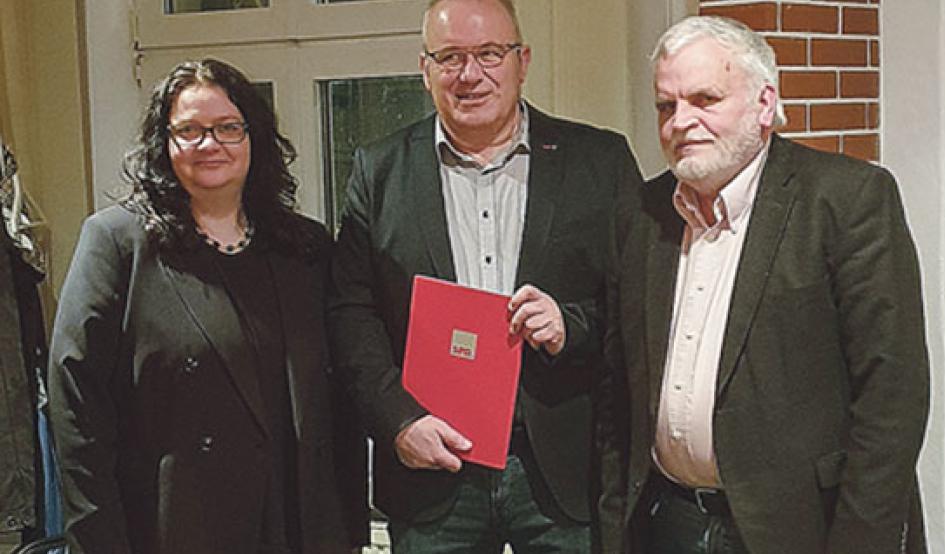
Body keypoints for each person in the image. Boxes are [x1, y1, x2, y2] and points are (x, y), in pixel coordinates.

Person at [605, 15, 931, 554]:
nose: (681, 121)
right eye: (667, 105)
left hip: (801, 529)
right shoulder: (643, 213)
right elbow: (620, 386)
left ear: (763, 105)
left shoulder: (847, 200)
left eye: (704, 99)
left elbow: (892, 399)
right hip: (670, 522)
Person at [327, 0, 642, 551]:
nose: (470, 74)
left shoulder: (600, 161)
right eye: (450, 57)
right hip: (432, 469)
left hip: (561, 470)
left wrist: (572, 326)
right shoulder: (378, 171)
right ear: (424, 71)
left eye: (489, 54)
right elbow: (351, 315)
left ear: (522, 61)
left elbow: (640, 303)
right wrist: (397, 422)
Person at [47, 58, 367, 553]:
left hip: (297, 524)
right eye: (189, 131)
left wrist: (347, 529)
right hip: (174, 525)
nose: (209, 144)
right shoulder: (118, 243)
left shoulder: (305, 247)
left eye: (227, 128)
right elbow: (77, 403)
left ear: (254, 137)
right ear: (164, 144)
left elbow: (339, 397)